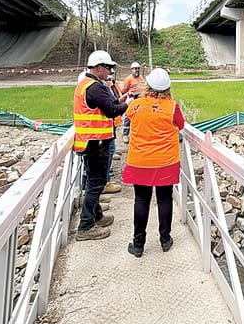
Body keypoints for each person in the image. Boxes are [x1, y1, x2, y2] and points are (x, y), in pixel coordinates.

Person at [122, 67, 185, 257]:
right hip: (166, 161)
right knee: (164, 199)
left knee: (141, 200)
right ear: (167, 88)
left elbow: (128, 117)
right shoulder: (172, 106)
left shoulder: (136, 105)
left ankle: (138, 244)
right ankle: (165, 240)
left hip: (140, 161)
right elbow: (180, 125)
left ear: (147, 84)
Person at [72, 50, 130, 241]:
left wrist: (118, 100)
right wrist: (127, 104)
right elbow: (112, 111)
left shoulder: (85, 84)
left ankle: (97, 216)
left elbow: (103, 106)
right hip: (96, 143)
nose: (110, 71)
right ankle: (86, 226)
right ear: (99, 68)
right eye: (108, 67)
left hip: (88, 142)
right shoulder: (96, 87)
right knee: (97, 183)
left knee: (93, 182)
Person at [121, 61, 146, 141]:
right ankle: (125, 134)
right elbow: (123, 91)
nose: (137, 70)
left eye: (138, 68)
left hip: (141, 100)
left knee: (141, 116)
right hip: (132, 99)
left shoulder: (141, 78)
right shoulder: (129, 79)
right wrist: (129, 94)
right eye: (135, 69)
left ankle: (139, 134)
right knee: (128, 116)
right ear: (132, 69)